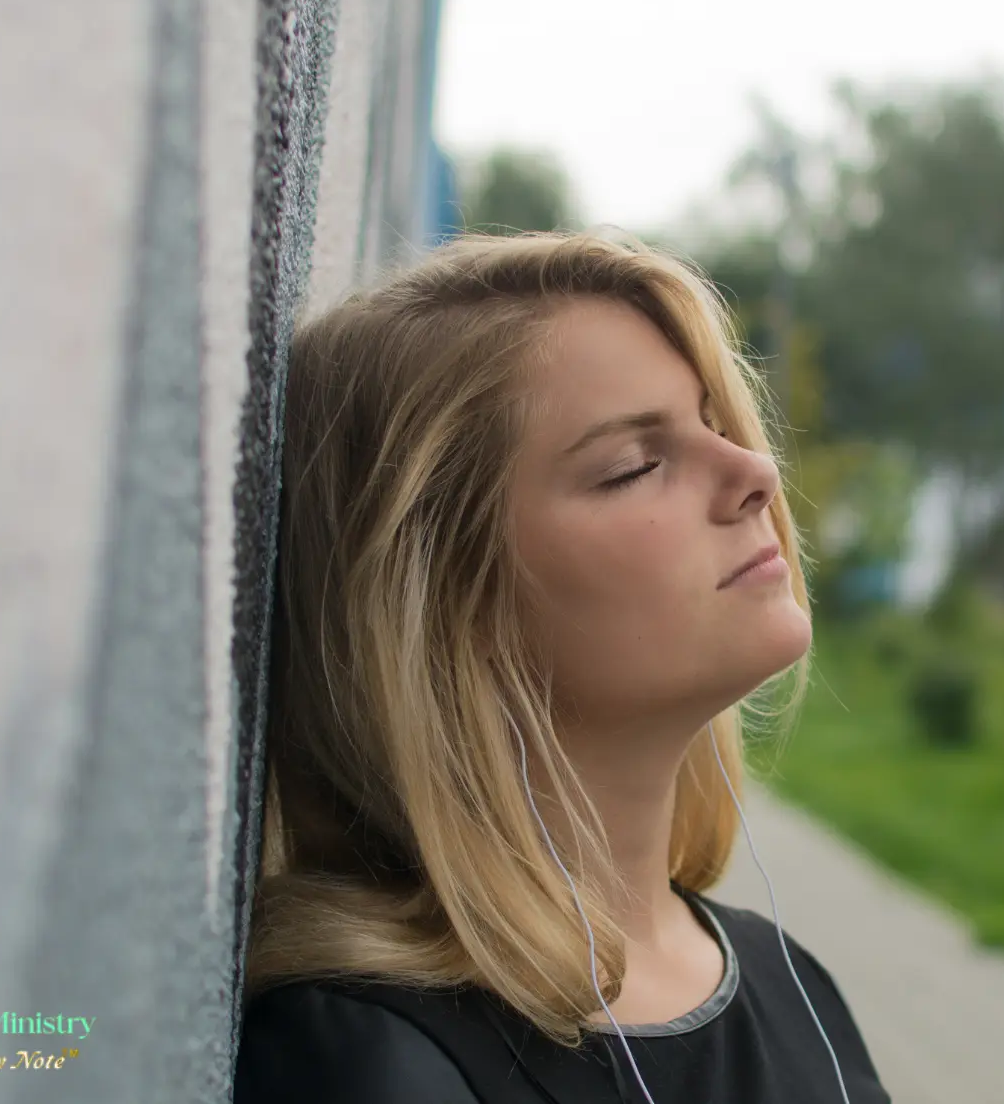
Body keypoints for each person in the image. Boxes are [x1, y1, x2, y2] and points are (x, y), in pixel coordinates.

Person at [232, 232, 891, 1103]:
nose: (757, 470)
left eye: (715, 423)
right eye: (634, 467)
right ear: (444, 600)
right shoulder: (365, 1059)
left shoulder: (791, 981)